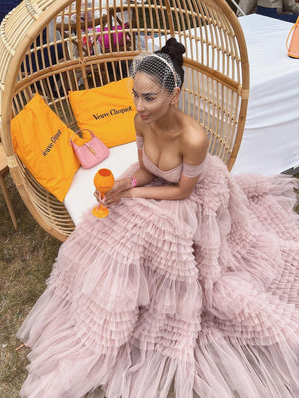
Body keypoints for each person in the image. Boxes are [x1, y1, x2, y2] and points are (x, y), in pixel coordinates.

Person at [17, 38, 299, 398]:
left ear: (174, 94)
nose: (139, 105)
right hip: (160, 186)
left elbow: (183, 190)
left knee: (150, 229)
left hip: (196, 197)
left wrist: (134, 194)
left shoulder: (194, 138)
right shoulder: (140, 121)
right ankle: (110, 312)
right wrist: (125, 183)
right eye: (135, 95)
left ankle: (149, 306)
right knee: (113, 221)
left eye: (148, 97)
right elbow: (149, 171)